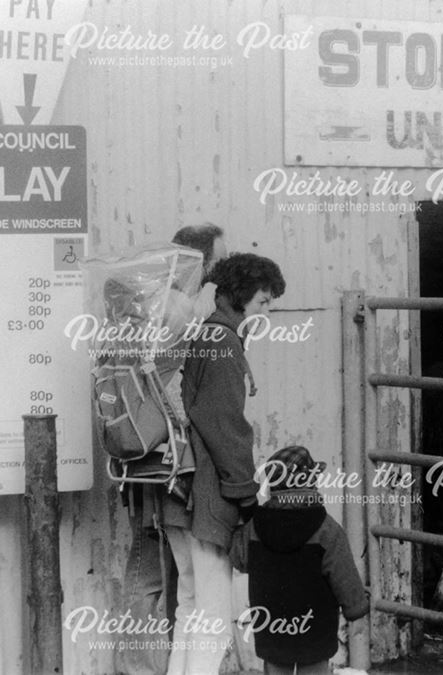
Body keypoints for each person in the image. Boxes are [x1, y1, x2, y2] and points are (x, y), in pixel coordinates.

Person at [165, 252, 286, 675]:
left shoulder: (205, 335)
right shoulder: (223, 343)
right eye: (263, 302)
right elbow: (225, 428)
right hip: (208, 498)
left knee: (190, 605)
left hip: (178, 495)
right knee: (213, 616)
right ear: (240, 297)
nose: (266, 312)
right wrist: (246, 496)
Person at [115, 223, 226, 675]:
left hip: (137, 450)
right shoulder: (178, 309)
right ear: (201, 261)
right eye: (218, 260)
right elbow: (175, 387)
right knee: (154, 572)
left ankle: (147, 665)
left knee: (154, 565)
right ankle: (139, 668)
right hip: (162, 454)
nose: (219, 271)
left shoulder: (144, 302)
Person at [230, 445, 370, 675]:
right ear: (310, 482)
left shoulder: (255, 526)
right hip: (315, 628)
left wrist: (238, 522)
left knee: (275, 668)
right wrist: (355, 608)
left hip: (271, 627)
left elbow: (239, 559)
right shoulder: (327, 529)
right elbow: (344, 575)